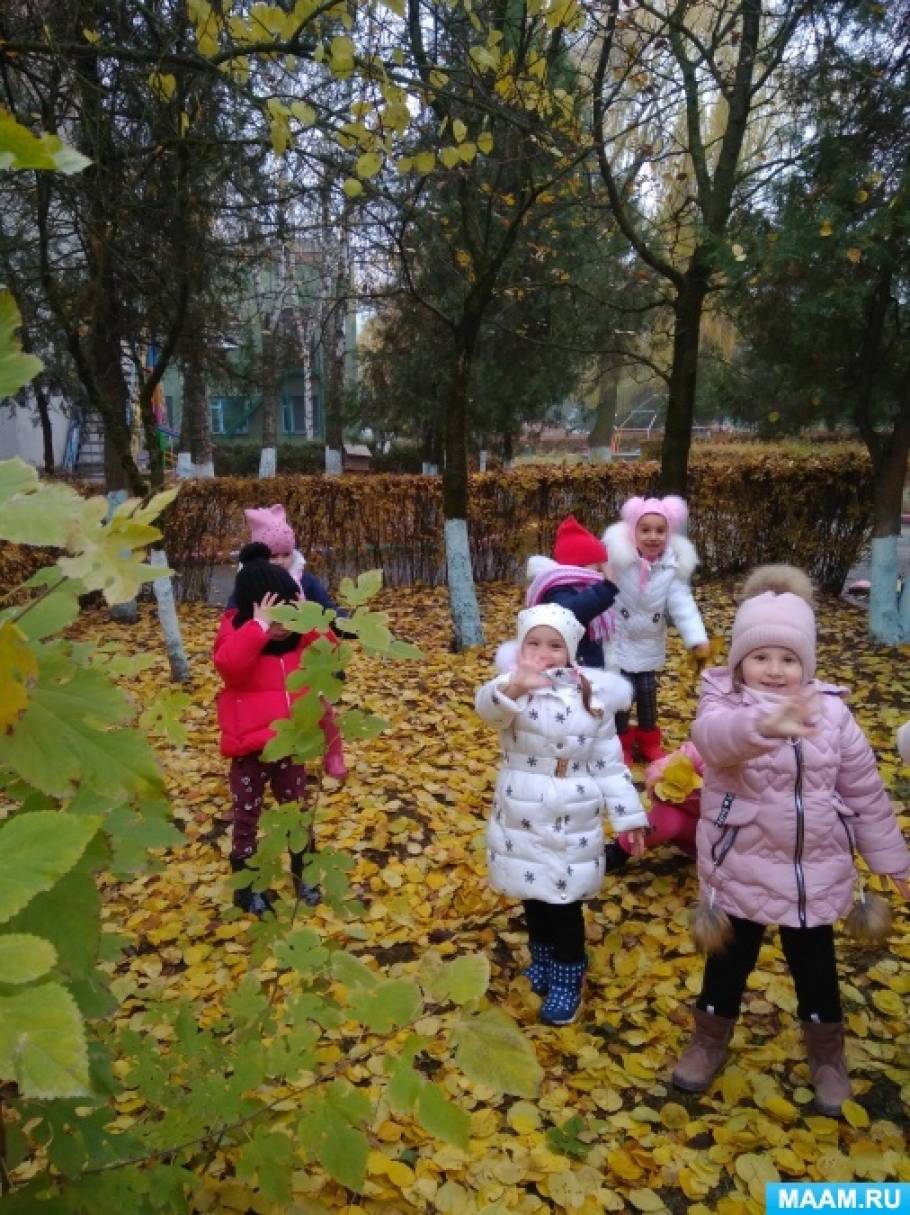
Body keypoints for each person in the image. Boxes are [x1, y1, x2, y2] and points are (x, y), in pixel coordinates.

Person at [673, 565, 910, 1116]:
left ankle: (827, 1054)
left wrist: (891, 860)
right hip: (743, 865)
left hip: (817, 869)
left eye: (788, 658)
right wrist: (765, 728)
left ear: (806, 663)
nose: (774, 670)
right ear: (739, 661)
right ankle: (708, 1039)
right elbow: (713, 742)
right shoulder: (723, 704)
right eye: (761, 657)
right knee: (729, 961)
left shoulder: (832, 713)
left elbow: (866, 791)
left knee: (815, 966)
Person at [474, 603, 648, 1026]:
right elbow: (487, 711)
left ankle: (568, 973)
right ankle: (543, 960)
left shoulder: (591, 696)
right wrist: (516, 687)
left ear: (570, 651)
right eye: (533, 643)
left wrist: (628, 817)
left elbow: (608, 762)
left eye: (554, 645)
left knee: (566, 903)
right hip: (523, 813)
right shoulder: (510, 686)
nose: (544, 652)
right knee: (533, 896)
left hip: (576, 814)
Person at [214, 558, 337, 915]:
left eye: (288, 617)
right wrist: (258, 628)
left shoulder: (297, 642)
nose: (284, 628)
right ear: (254, 612)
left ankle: (305, 873)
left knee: (296, 811)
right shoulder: (237, 635)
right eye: (276, 619)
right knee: (247, 817)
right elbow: (230, 668)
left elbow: (329, 652)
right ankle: (248, 886)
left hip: (291, 744)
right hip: (249, 749)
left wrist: (308, 619)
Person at [241, 502, 347, 780]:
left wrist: (342, 622)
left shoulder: (306, 582)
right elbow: (236, 616)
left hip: (306, 657)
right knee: (272, 713)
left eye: (286, 554)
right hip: (267, 662)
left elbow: (326, 610)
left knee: (322, 710)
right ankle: (274, 757)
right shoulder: (251, 583)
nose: (280, 561)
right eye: (273, 557)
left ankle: (333, 752)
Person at [602, 495, 709, 764]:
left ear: (669, 534)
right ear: (633, 532)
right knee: (622, 697)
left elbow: (682, 604)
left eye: (660, 530)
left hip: (648, 643)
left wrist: (696, 639)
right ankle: (621, 742)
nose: (653, 536)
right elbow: (598, 586)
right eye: (645, 529)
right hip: (619, 639)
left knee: (648, 695)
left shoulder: (670, 568)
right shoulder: (618, 561)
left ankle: (649, 739)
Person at [525, 515, 617, 668]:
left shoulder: (576, 587)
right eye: (597, 567)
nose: (600, 574)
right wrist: (607, 587)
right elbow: (569, 612)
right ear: (580, 566)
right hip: (569, 670)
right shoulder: (556, 588)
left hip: (583, 663)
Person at [606, 741, 702, 872]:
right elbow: (662, 767)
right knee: (664, 820)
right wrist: (660, 783)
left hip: (728, 838)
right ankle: (618, 852)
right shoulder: (702, 752)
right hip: (689, 819)